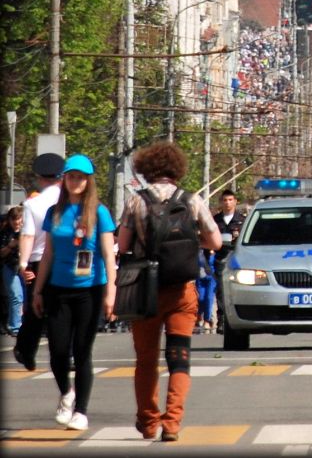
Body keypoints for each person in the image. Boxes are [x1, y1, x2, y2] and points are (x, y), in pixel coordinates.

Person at [116, 141, 221, 442]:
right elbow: (214, 242)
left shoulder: (136, 201)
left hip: (145, 290)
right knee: (179, 357)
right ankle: (172, 423)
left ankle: (148, 421)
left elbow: (122, 246)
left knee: (146, 359)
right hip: (181, 291)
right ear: (177, 169)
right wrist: (190, 245)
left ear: (147, 170)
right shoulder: (191, 200)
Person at [31, 153, 117, 432]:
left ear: (88, 181)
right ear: (64, 179)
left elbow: (107, 254)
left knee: (82, 351)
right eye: (71, 176)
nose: (75, 181)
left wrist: (111, 293)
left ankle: (81, 411)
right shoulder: (54, 212)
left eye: (80, 177)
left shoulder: (99, 212)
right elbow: (47, 255)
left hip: (90, 290)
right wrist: (38, 290)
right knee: (57, 351)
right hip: (58, 288)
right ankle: (66, 392)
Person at [13, 152, 64, 370]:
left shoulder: (33, 204)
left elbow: (27, 236)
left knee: (36, 310)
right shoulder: (71, 201)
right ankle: (65, 354)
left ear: (40, 178)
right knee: (63, 309)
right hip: (64, 261)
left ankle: (25, 349)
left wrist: (23, 265)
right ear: (62, 176)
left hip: (37, 263)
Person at [209, 189, 242, 335]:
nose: (227, 203)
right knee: (222, 291)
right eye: (225, 200)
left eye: (230, 200)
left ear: (235, 201)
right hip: (220, 259)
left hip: (237, 261)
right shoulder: (215, 221)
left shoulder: (242, 220)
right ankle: (222, 320)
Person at [2, 205, 24, 336]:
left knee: (26, 298)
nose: (16, 222)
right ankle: (15, 326)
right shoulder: (5, 234)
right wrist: (11, 245)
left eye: (19, 219)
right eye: (13, 219)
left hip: (26, 268)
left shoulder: (28, 232)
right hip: (10, 267)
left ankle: (19, 324)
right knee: (16, 296)